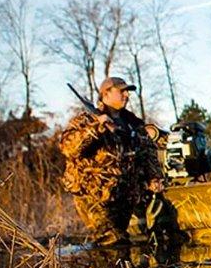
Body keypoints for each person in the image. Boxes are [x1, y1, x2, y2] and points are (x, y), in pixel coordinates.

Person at [60, 76, 164, 246]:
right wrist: (96, 128)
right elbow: (68, 148)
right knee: (111, 241)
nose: (127, 95)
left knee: (126, 240)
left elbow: (148, 152)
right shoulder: (87, 120)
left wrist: (155, 177)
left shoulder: (133, 123)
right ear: (106, 94)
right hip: (92, 193)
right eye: (121, 91)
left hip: (124, 195)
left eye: (127, 92)